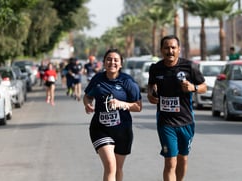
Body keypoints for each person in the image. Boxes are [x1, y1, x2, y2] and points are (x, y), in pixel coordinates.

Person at [147, 35, 207, 181]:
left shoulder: (190, 67)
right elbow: (150, 85)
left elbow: (204, 87)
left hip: (186, 121)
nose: (170, 51)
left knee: (183, 159)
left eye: (173, 47)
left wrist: (193, 87)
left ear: (179, 49)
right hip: (165, 122)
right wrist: (150, 94)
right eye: (166, 48)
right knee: (170, 162)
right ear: (161, 50)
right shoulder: (156, 69)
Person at [83, 48, 142, 181]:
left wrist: (122, 104)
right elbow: (87, 96)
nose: (112, 62)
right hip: (100, 129)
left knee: (118, 169)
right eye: (109, 59)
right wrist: (87, 104)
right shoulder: (98, 79)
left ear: (121, 64)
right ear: (104, 62)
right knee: (110, 166)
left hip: (123, 130)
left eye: (116, 60)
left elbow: (138, 107)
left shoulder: (128, 81)